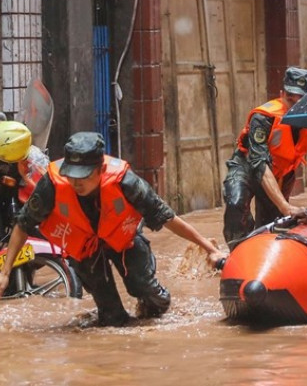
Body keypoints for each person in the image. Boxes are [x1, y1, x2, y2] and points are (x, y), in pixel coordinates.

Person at [0, 132, 226, 326]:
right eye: (72, 175)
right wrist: (6, 273)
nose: (76, 183)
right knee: (111, 319)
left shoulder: (126, 182)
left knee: (147, 294)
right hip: (86, 249)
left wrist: (209, 248)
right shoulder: (51, 184)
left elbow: (168, 217)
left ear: (100, 169)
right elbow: (23, 224)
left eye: (84, 176)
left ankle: (155, 303)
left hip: (123, 239)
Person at [222, 67, 307, 249]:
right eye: (290, 98)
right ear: (282, 93)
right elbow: (259, 164)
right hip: (247, 168)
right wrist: (286, 207)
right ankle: (237, 253)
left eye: (302, 100)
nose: (295, 105)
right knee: (236, 204)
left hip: (281, 174)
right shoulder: (263, 118)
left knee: (272, 227)